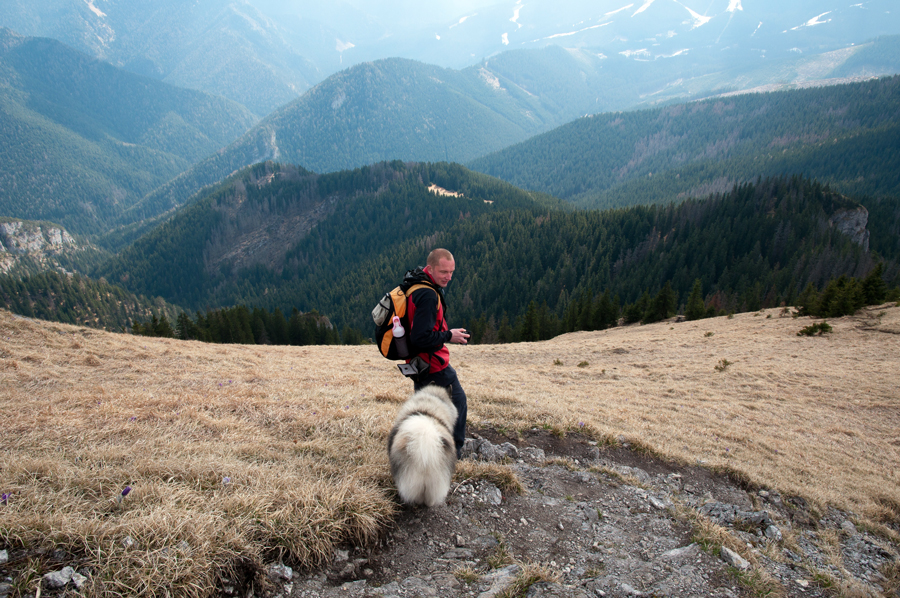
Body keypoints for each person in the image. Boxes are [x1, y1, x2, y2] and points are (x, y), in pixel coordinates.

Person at [403, 248, 470, 458]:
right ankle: (453, 454)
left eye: (451, 272)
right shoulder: (428, 295)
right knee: (457, 401)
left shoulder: (414, 283)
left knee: (425, 410)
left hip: (416, 363)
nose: (448, 277)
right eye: (443, 272)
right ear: (430, 268)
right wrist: (449, 335)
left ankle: (421, 452)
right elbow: (420, 337)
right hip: (433, 365)